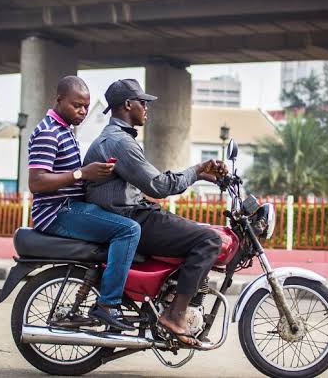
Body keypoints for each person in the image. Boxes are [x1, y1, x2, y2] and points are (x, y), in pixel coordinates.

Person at [83, 78, 227, 347]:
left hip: (132, 211)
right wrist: (196, 171)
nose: (147, 108)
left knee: (192, 230)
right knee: (209, 240)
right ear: (128, 104)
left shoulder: (117, 138)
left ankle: (170, 299)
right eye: (143, 102)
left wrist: (199, 175)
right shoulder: (120, 142)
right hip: (129, 217)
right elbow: (159, 186)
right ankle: (175, 314)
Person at [27, 75, 141, 331]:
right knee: (129, 230)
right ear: (59, 100)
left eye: (86, 107)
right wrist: (82, 173)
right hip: (56, 212)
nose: (82, 111)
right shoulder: (48, 133)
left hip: (69, 207)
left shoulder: (64, 129)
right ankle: (108, 305)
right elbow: (36, 182)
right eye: (76, 105)